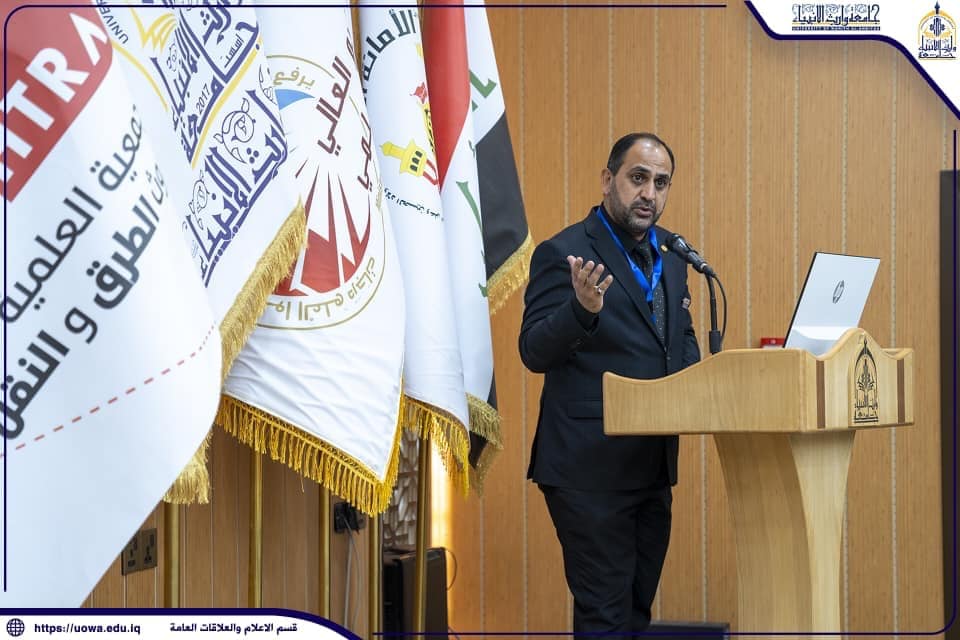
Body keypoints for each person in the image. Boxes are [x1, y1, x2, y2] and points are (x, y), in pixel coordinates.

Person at [518, 132, 701, 634]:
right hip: (587, 469)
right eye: (637, 178)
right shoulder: (565, 253)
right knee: (605, 616)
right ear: (607, 180)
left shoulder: (673, 254)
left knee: (636, 613)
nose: (649, 193)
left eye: (661, 183)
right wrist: (581, 310)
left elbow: (678, 339)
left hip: (652, 464)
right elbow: (533, 350)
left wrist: (698, 382)